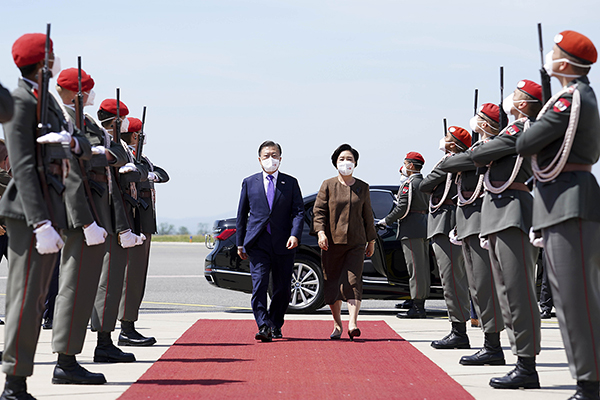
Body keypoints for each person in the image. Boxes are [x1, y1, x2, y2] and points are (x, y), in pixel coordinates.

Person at [0, 32, 88, 399]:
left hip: (50, 209)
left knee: (35, 299)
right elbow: (21, 165)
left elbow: (75, 141)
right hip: (28, 214)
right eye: (50, 57)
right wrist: (39, 222)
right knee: (24, 299)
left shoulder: (45, 103)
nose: (54, 63)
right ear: (41, 62)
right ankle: (13, 384)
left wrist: (71, 143)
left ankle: (20, 380)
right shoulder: (21, 102)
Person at [516, 30, 600, 400]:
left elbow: (525, 143)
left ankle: (591, 383)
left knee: (576, 299)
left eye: (554, 53)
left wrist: (535, 115)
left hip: (570, 202)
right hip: (558, 201)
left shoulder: (571, 100)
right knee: (567, 299)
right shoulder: (570, 99)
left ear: (564, 63)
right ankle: (587, 378)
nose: (550, 57)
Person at [471, 79, 543, 389]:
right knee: (505, 293)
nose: (511, 100)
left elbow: (482, 155)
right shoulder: (513, 130)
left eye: (517, 96)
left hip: (513, 211)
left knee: (518, 292)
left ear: (524, 103)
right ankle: (518, 360)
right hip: (499, 212)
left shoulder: (518, 130)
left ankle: (527, 364)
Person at [439, 103, 506, 366]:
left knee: (485, 286)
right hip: (469, 224)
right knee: (477, 287)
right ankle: (489, 345)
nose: (474, 120)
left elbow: (456, 163)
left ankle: (493, 346)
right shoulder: (481, 148)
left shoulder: (489, 147)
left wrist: (457, 157)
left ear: (487, 124)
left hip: (481, 223)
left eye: (479, 118)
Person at [91, 98, 146, 363]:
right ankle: (102, 342)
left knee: (110, 284)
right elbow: (117, 163)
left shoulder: (112, 143)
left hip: (117, 219)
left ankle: (106, 340)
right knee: (107, 284)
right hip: (107, 220)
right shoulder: (100, 140)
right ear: (117, 121)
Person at [236, 140, 304, 341]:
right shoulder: (249, 182)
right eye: (266, 156)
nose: (270, 160)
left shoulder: (290, 183)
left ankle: (275, 323)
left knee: (283, 289)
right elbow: (242, 214)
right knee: (259, 285)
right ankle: (263, 324)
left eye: (274, 156)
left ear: (280, 159)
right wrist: (240, 242)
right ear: (259, 160)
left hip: (284, 243)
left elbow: (298, 212)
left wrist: (295, 234)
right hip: (258, 242)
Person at [313, 144, 376, 340]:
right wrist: (320, 233)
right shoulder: (328, 185)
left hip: (356, 243)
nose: (346, 162)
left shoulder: (362, 187)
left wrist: (371, 240)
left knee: (353, 281)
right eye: (342, 159)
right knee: (332, 282)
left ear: (355, 163)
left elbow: (368, 216)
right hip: (331, 243)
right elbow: (319, 212)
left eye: (349, 159)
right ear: (335, 163)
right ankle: (337, 324)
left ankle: (353, 323)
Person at [118, 117, 169, 347]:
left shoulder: (141, 159)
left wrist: (148, 173)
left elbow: (162, 174)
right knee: (131, 278)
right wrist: (145, 173)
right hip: (134, 222)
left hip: (144, 223)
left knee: (138, 279)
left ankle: (130, 325)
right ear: (135, 136)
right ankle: (126, 328)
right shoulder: (125, 155)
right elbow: (131, 175)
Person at [421, 126, 472, 348]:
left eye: (447, 138)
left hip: (446, 222)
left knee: (452, 279)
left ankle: (459, 332)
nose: (443, 140)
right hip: (443, 220)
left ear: (453, 145)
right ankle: (458, 328)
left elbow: (425, 184)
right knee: (451, 279)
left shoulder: (450, 162)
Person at [378, 152, 429, 319]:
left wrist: (385, 220)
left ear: (411, 166)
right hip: (422, 227)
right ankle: (418, 303)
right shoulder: (423, 182)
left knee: (415, 269)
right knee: (421, 269)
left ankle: (418, 307)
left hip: (411, 229)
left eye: (405, 163)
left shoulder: (410, 183)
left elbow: (401, 208)